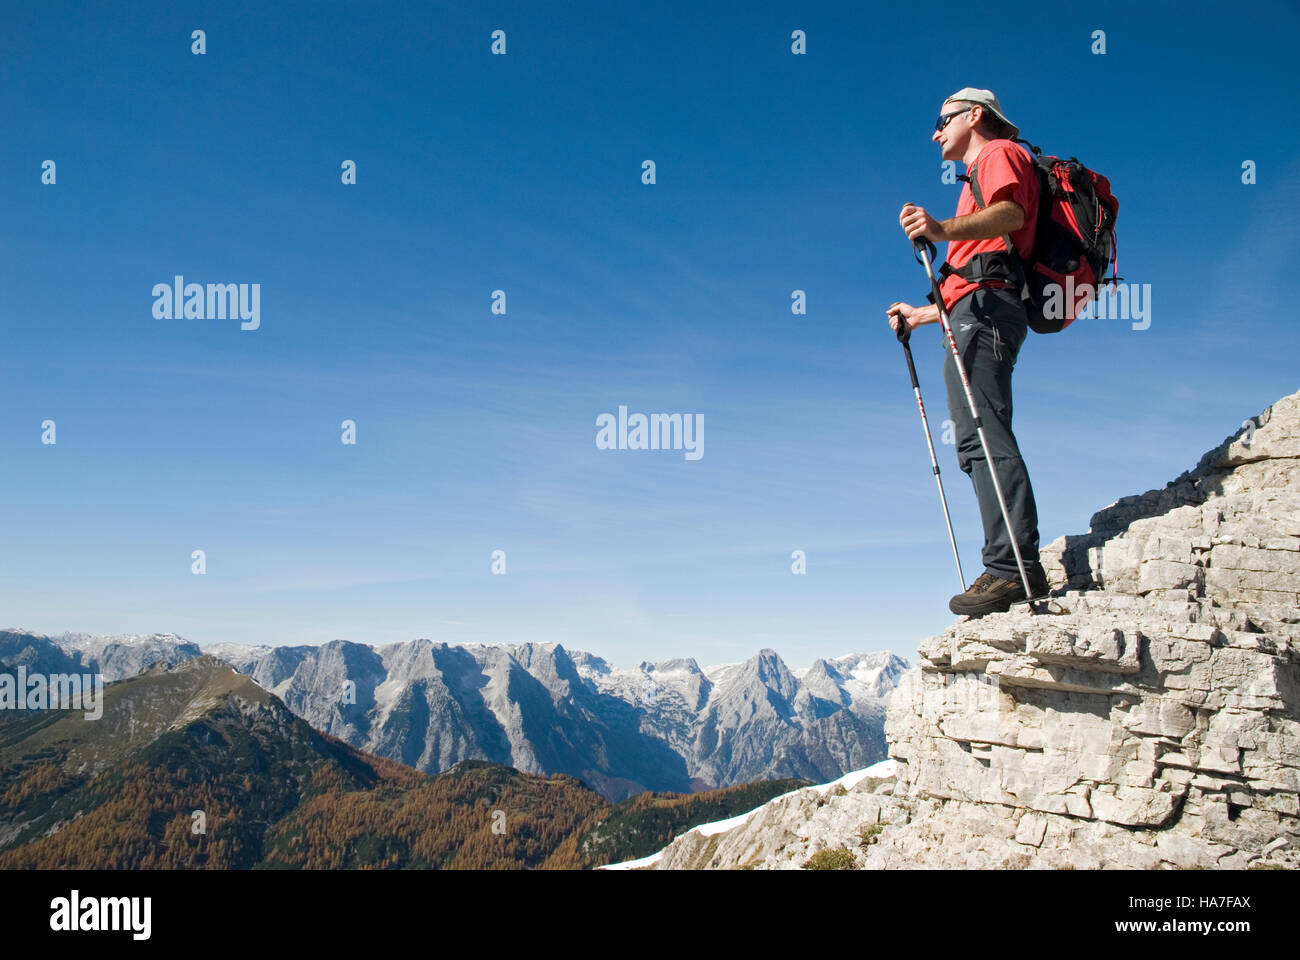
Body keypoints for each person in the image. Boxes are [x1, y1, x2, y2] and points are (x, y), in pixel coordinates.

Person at [886, 88, 1049, 616]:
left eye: (942, 120)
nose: (935, 132)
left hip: (985, 315)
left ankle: (1012, 570)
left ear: (974, 115)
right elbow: (978, 270)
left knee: (983, 431)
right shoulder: (974, 174)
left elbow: (1012, 215)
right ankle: (1009, 564)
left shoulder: (999, 154)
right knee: (973, 436)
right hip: (973, 311)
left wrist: (940, 229)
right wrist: (922, 313)